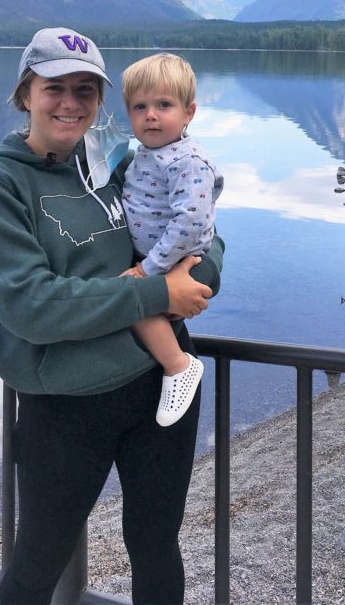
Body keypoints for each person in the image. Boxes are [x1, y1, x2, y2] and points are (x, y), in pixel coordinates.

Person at [0, 27, 223, 605]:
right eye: (55, 87)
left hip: (161, 385)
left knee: (155, 545)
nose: (71, 102)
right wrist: (158, 295)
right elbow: (32, 306)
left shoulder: (119, 161)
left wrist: (193, 280)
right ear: (26, 91)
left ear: (101, 102)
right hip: (67, 405)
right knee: (37, 563)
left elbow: (201, 237)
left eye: (86, 89)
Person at [119, 53, 224, 426]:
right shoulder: (153, 153)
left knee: (138, 306)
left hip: (174, 260)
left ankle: (178, 365)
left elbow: (191, 222)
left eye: (164, 105)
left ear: (189, 112)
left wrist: (150, 270)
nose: (151, 115)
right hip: (159, 255)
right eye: (140, 106)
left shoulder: (185, 160)